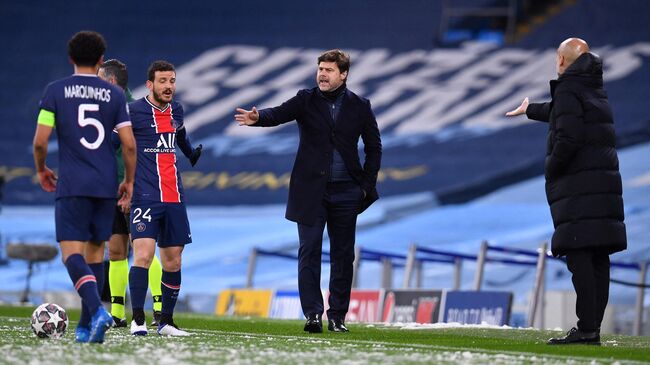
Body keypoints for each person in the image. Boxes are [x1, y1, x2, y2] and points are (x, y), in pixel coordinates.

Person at [235, 49, 382, 333]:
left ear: (344, 74)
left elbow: (374, 147)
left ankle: (337, 316)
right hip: (311, 191)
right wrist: (258, 118)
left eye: (329, 70)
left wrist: (366, 186)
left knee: (343, 255)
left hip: (347, 192)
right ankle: (313, 314)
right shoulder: (306, 99)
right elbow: (278, 113)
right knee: (309, 251)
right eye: (320, 69)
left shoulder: (360, 105)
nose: (322, 75)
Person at [506, 38, 627, 345]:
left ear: (561, 61)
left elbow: (568, 137)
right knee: (598, 256)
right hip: (602, 188)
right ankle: (592, 328)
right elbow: (564, 113)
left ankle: (586, 329)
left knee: (579, 255)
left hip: (580, 190)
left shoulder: (570, 88)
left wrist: (553, 169)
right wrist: (530, 109)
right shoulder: (592, 87)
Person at [32, 30, 137, 343]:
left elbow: (40, 142)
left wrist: (41, 169)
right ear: (101, 60)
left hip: (73, 182)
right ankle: (83, 327)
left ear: (70, 58)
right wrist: (128, 181)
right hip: (105, 184)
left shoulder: (56, 91)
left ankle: (97, 309)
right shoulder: (116, 96)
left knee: (71, 255)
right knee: (96, 252)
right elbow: (129, 146)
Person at [128, 60, 202, 336]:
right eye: (163, 81)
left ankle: (166, 323)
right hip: (145, 195)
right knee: (143, 255)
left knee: (173, 261)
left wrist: (191, 152)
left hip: (174, 195)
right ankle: (137, 319)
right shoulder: (133, 111)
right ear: (150, 84)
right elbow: (115, 145)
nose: (169, 86)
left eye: (172, 81)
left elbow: (179, 134)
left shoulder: (177, 110)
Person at [97, 59, 165, 328]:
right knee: (115, 250)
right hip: (110, 189)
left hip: (133, 189)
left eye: (99, 79)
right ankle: (117, 312)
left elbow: (134, 152)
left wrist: (131, 184)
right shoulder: (108, 109)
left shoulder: (131, 111)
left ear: (111, 82)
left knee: (142, 250)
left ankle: (159, 307)